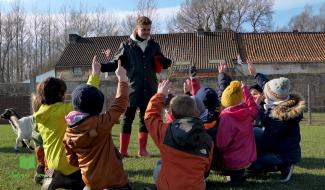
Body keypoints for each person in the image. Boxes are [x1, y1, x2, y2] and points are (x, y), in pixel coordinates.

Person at [100, 16, 171, 158]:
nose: (146, 32)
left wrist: (166, 62)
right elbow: (116, 63)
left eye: (148, 29)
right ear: (137, 29)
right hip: (132, 87)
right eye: (143, 29)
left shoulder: (154, 46)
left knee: (145, 119)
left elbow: (161, 62)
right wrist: (101, 67)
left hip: (150, 87)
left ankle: (142, 150)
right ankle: (123, 150)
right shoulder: (126, 45)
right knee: (127, 118)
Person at [34, 56, 100, 190]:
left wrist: (56, 85)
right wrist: (95, 74)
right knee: (94, 181)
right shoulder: (63, 111)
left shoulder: (40, 113)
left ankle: (50, 181)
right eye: (63, 93)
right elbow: (85, 97)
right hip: (70, 167)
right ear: (60, 95)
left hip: (52, 167)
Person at [63, 61, 131, 190]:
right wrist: (122, 79)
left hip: (90, 182)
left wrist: (95, 74)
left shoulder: (69, 130)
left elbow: (72, 160)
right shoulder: (101, 122)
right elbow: (120, 104)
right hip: (115, 181)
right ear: (98, 106)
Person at [144, 80, 214, 190]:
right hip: (195, 186)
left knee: (159, 165)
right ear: (197, 112)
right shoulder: (208, 139)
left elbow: (150, 117)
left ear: (171, 114)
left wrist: (160, 95)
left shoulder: (166, 132)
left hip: (170, 186)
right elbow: (206, 169)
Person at [246, 60, 305, 183]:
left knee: (249, 161)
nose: (264, 93)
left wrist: (257, 112)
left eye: (266, 93)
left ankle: (284, 166)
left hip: (284, 153)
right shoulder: (284, 100)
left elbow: (267, 141)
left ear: (272, 97)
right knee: (253, 132)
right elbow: (268, 85)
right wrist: (255, 74)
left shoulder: (279, 116)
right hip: (285, 146)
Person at [217, 80, 259, 185]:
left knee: (218, 156)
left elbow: (222, 144)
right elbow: (254, 107)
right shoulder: (248, 113)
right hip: (247, 159)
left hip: (230, 161)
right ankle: (239, 175)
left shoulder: (225, 117)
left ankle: (234, 177)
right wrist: (245, 90)